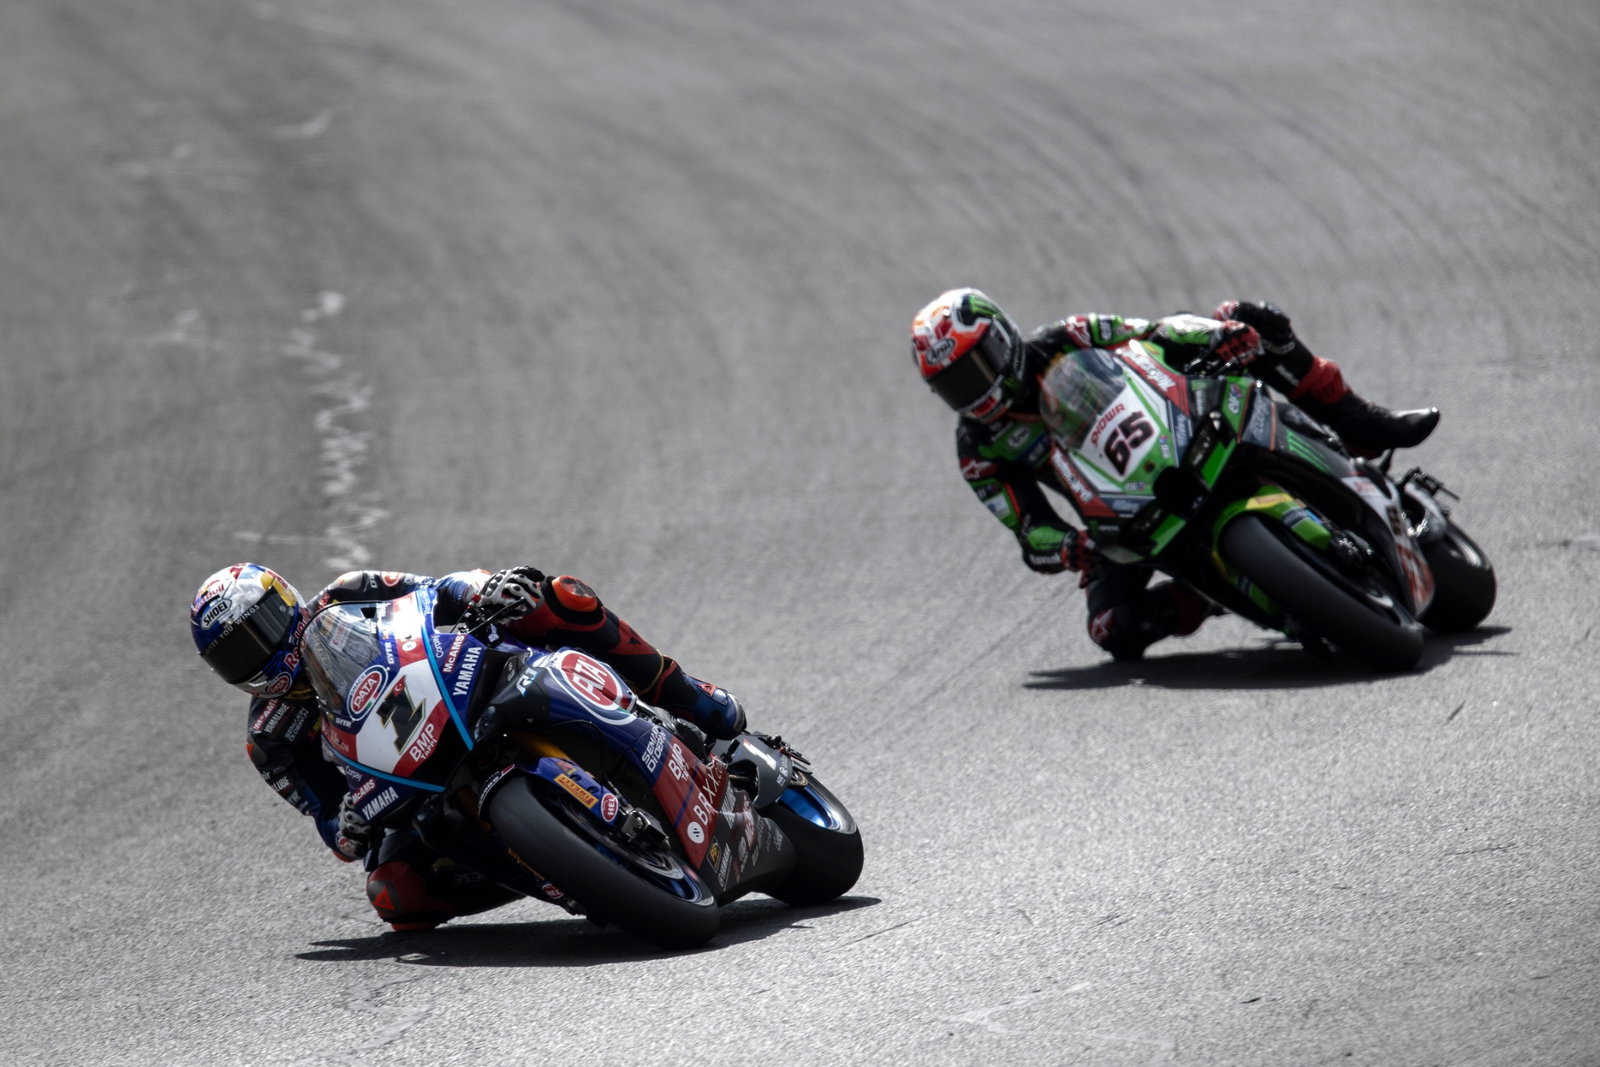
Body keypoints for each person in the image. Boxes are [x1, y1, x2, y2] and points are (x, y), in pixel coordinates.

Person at [189, 562, 747, 930]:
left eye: (260, 629)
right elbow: (328, 819)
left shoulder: (349, 593)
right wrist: (349, 827)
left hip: (465, 681)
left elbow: (438, 590)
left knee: (558, 597)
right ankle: (563, 868)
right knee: (395, 895)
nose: (260, 654)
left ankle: (691, 697)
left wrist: (488, 590)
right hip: (407, 784)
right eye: (237, 654)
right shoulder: (271, 737)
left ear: (283, 600)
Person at [909, 288, 1439, 661]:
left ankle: (1354, 423)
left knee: (1252, 320)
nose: (974, 392)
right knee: (1112, 630)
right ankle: (1214, 593)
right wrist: (1070, 547)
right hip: (1118, 518)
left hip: (1181, 430)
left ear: (1003, 339)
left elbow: (1154, 333)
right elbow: (1029, 531)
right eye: (954, 385)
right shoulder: (978, 450)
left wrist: (1217, 337)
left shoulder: (1070, 335)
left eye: (977, 368)